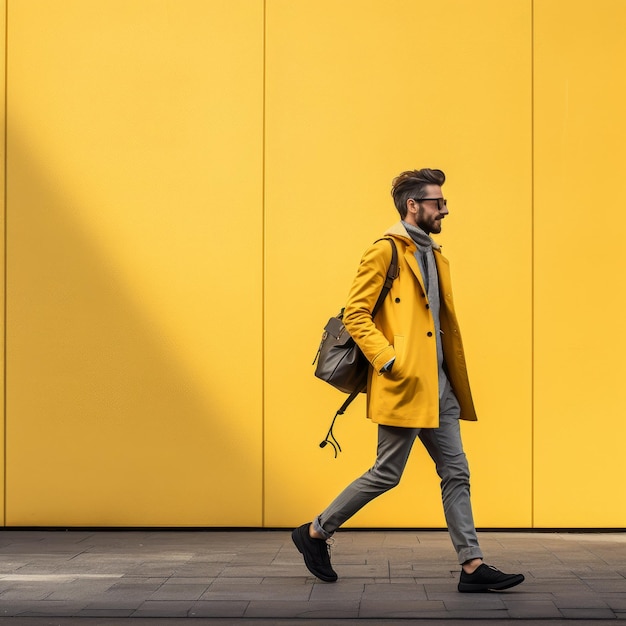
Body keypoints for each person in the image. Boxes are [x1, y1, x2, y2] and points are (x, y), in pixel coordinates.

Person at [292, 168, 525, 593]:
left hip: (440, 387)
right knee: (387, 473)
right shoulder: (384, 251)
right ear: (412, 206)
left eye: (444, 202)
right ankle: (315, 533)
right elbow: (356, 315)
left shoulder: (434, 253)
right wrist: (388, 361)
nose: (445, 209)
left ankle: (472, 566)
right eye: (438, 203)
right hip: (403, 383)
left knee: (457, 472)